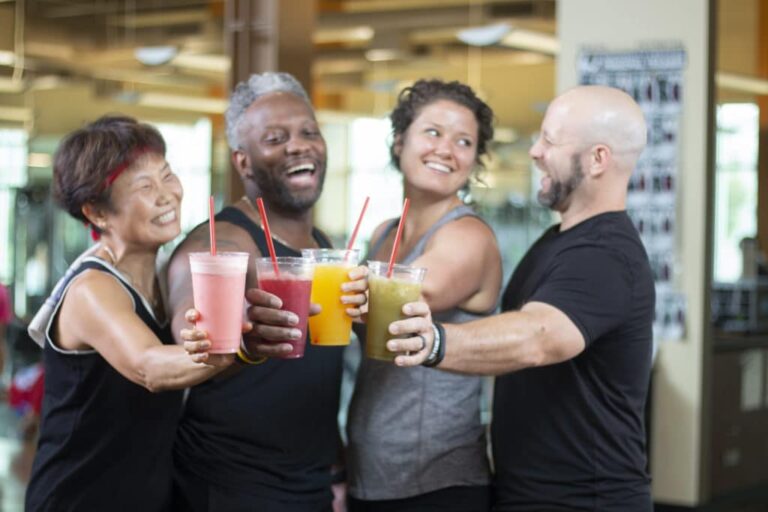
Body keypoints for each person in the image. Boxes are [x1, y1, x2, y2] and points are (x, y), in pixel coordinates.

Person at [389, 85, 654, 511]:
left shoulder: (605, 254)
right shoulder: (560, 241)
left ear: (598, 159)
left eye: (549, 140)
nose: (534, 152)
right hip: (528, 494)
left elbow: (538, 337)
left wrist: (434, 342)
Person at [167, 72, 366, 512]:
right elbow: (190, 338)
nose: (298, 145)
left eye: (309, 132)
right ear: (243, 162)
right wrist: (237, 342)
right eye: (276, 138)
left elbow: (313, 379)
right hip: (228, 491)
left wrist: (336, 471)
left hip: (309, 488)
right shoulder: (218, 247)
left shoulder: (325, 247)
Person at [25, 115, 233, 512]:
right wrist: (241, 344)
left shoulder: (162, 277)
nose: (166, 195)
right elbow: (150, 367)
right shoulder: (92, 290)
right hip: (76, 500)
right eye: (143, 186)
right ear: (97, 214)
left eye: (167, 175)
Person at [345, 79, 501, 512]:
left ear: (473, 160)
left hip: (438, 482)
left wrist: (317, 283)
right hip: (370, 471)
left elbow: (409, 294)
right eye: (432, 132)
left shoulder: (468, 235)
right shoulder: (383, 234)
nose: (446, 149)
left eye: (464, 141)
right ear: (400, 141)